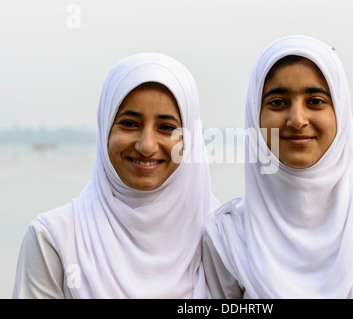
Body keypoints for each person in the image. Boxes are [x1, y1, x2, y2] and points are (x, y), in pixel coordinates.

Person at [202, 35, 353, 298]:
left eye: (316, 101)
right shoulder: (227, 238)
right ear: (254, 115)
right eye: (277, 102)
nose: (297, 120)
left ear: (340, 112)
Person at [13, 52, 220, 298]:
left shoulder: (222, 238)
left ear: (190, 141)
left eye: (167, 128)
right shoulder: (54, 238)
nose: (146, 146)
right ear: (105, 128)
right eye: (129, 123)